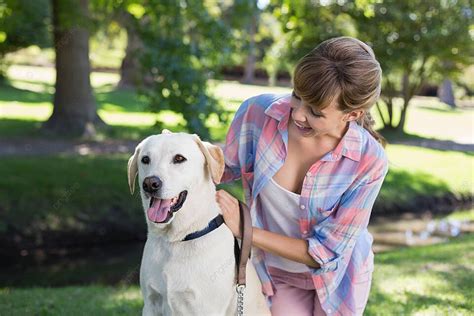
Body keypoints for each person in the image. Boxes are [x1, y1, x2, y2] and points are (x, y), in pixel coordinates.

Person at [215, 36, 389, 316]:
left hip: (338, 279)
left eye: (316, 113)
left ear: (352, 114)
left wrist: (245, 230)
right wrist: (173, 155)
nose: (297, 114)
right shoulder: (258, 114)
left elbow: (325, 253)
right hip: (276, 272)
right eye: (297, 95)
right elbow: (222, 168)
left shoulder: (368, 161)